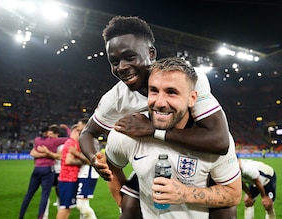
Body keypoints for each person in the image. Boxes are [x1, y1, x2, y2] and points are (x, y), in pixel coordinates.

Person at [79, 15, 237, 219]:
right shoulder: (116, 97)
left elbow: (219, 141)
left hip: (198, 161)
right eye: (114, 61)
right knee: (129, 208)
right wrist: (94, 158)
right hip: (154, 160)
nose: (121, 67)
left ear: (151, 53)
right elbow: (88, 133)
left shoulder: (187, 78)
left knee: (225, 212)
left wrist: (154, 130)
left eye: (129, 57)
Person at [104, 57, 242, 218]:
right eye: (154, 90)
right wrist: (125, 207)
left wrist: (185, 194)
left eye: (172, 92)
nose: (160, 102)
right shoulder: (126, 133)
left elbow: (234, 194)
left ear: (192, 98)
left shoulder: (212, 142)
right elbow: (112, 167)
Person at [19, 124, 70, 219]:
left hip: (37, 168)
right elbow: (70, 138)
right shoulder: (55, 141)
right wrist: (67, 128)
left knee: (29, 193)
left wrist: (41, 154)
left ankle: (21, 216)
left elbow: (33, 153)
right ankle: (41, 217)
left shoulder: (37, 140)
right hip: (48, 169)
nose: (49, 135)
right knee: (45, 195)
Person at [56, 124, 91, 219]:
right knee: (65, 208)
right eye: (80, 132)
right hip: (68, 179)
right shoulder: (72, 143)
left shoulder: (70, 142)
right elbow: (68, 161)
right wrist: (84, 161)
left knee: (67, 207)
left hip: (67, 179)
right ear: (76, 131)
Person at [76, 118, 99, 219]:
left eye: (79, 124)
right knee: (84, 203)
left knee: (81, 204)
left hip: (88, 172)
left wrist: (75, 153)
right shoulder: (84, 137)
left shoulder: (90, 139)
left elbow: (92, 160)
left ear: (85, 125)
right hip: (84, 172)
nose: (77, 127)